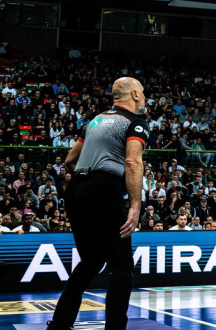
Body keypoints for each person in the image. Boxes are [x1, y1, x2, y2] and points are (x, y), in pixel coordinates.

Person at [47, 77, 149, 330]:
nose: (145, 97)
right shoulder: (135, 122)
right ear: (135, 95)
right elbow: (132, 162)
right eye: (143, 92)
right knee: (121, 266)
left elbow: (70, 160)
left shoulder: (96, 120)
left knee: (91, 261)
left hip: (76, 189)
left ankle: (59, 325)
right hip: (104, 189)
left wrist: (88, 183)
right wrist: (135, 205)